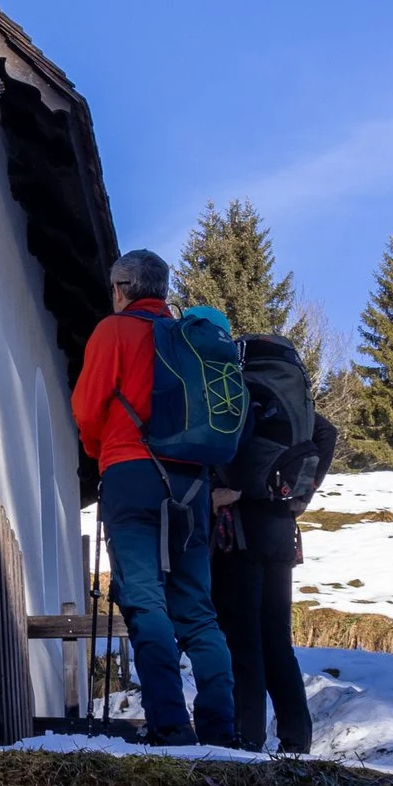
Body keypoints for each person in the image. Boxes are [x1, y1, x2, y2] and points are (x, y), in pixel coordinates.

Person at [71, 249, 236, 746]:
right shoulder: (188, 336)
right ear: (162, 290)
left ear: (121, 289)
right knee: (198, 610)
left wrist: (102, 451)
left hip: (131, 474)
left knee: (145, 603)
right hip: (193, 481)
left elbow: (87, 409)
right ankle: (220, 728)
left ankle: (170, 725)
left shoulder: (113, 331)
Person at [211, 329, 333, 755]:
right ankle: (296, 737)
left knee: (242, 635)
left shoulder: (240, 391)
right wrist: (302, 491)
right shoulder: (296, 401)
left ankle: (247, 738)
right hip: (282, 526)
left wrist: (236, 490)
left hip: (242, 529)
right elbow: (327, 434)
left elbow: (230, 445)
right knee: (277, 637)